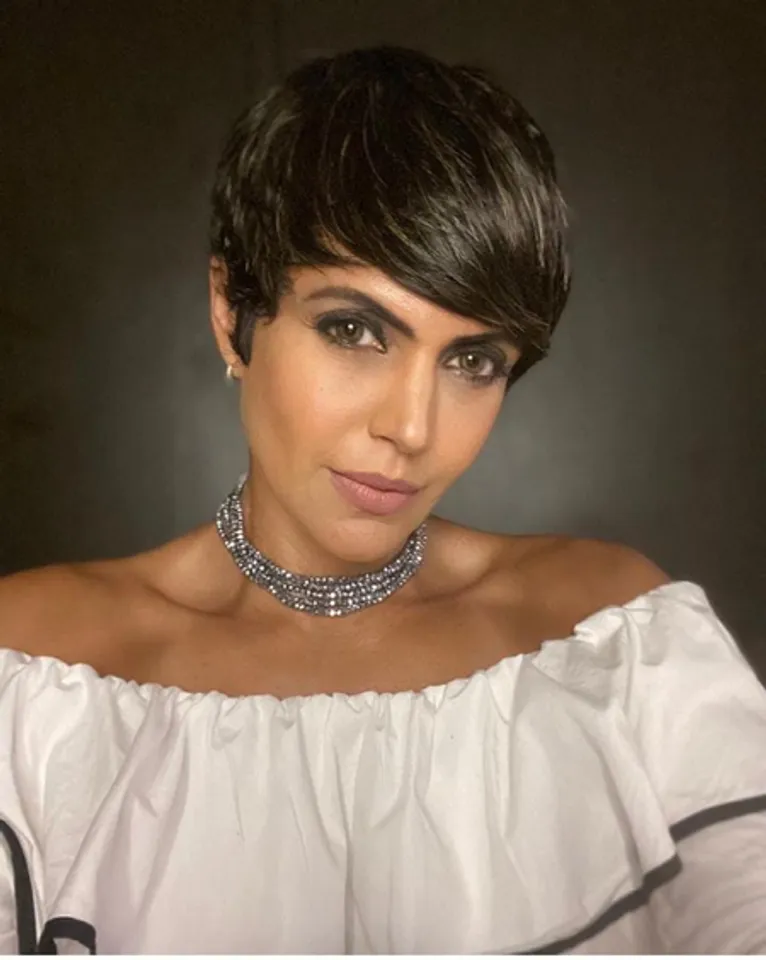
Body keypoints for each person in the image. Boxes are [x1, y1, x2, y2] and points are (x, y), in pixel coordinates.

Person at [0, 45, 764, 956]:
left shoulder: (616, 643)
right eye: (354, 329)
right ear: (232, 314)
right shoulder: (33, 673)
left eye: (473, 360)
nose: (411, 426)